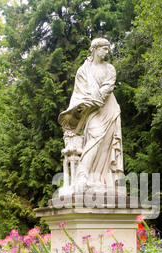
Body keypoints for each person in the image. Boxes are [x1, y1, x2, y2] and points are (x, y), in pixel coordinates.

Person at [58, 38, 124, 191]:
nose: (106, 52)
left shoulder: (110, 69)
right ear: (94, 49)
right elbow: (78, 94)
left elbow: (108, 88)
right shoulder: (83, 71)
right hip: (92, 111)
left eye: (108, 49)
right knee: (94, 138)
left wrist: (95, 99)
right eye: (103, 48)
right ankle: (82, 175)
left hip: (109, 109)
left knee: (106, 145)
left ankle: (101, 179)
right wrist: (84, 103)